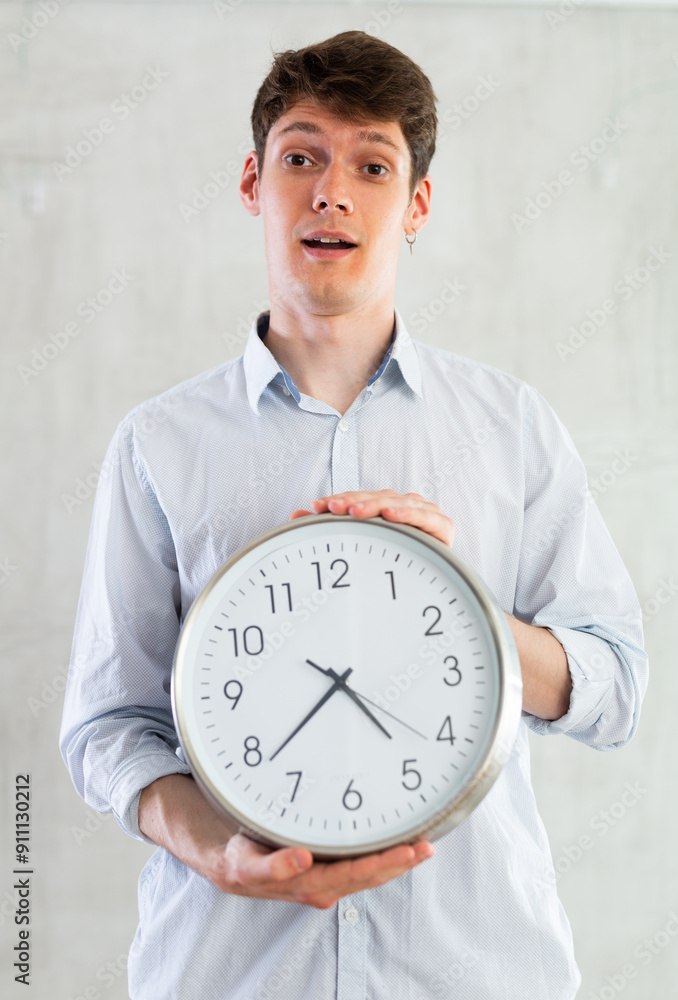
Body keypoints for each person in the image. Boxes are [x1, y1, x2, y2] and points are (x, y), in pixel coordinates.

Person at [59, 29, 648, 1000]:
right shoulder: (159, 443)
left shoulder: (511, 429)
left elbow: (617, 684)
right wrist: (218, 851)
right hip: (232, 972)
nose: (333, 189)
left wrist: (469, 616)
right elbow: (107, 727)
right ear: (253, 182)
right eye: (302, 157)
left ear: (415, 204)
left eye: (372, 164)